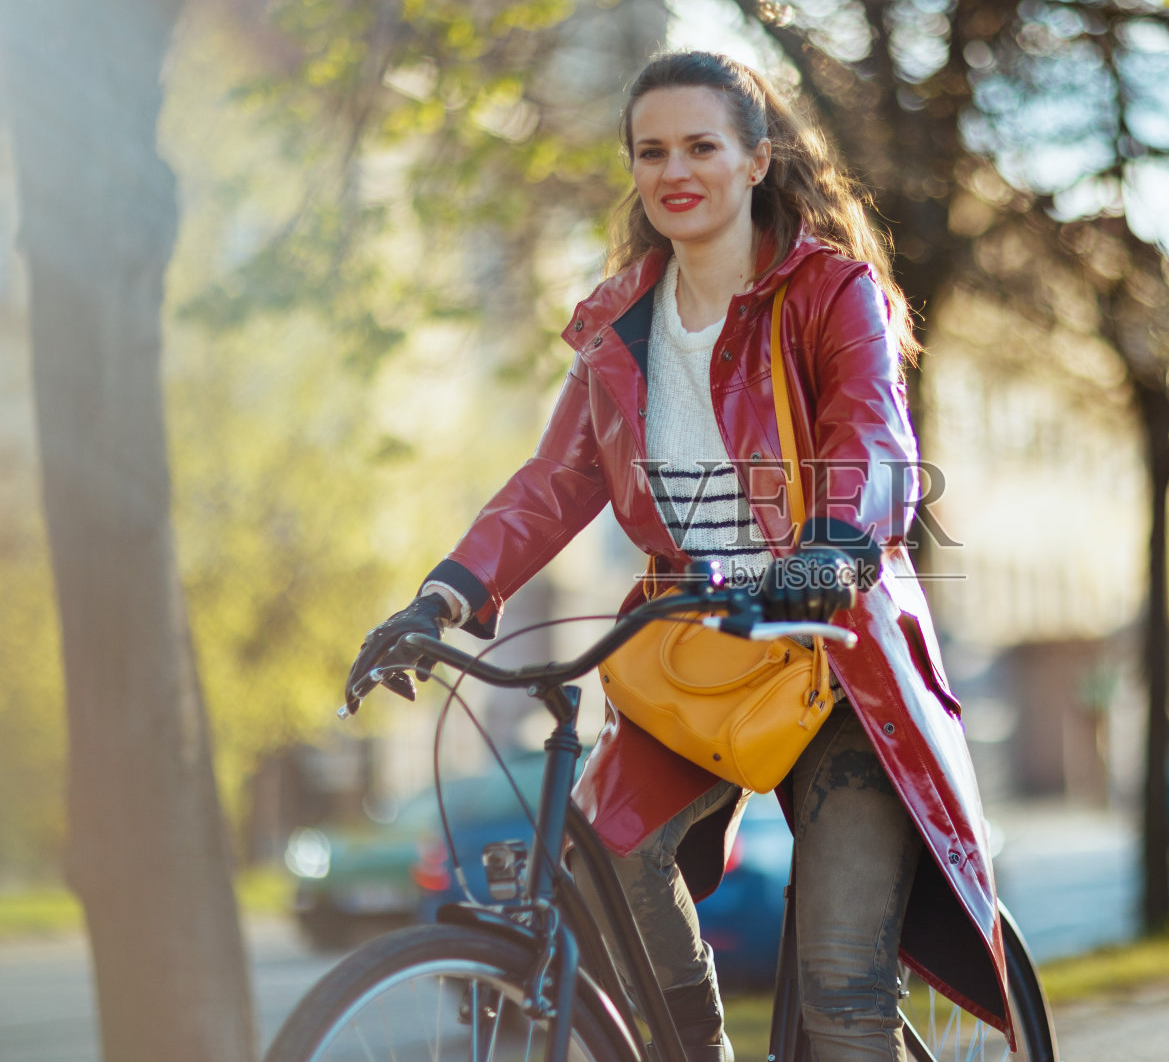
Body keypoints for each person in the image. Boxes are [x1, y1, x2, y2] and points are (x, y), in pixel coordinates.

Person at [344, 51, 1009, 1062]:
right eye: (651, 151)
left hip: (835, 653)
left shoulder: (833, 294)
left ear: (756, 159)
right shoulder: (622, 324)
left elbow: (873, 442)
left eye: (701, 144)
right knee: (609, 852)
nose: (674, 169)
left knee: (840, 990)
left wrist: (832, 544)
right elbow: (555, 481)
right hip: (695, 655)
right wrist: (441, 597)